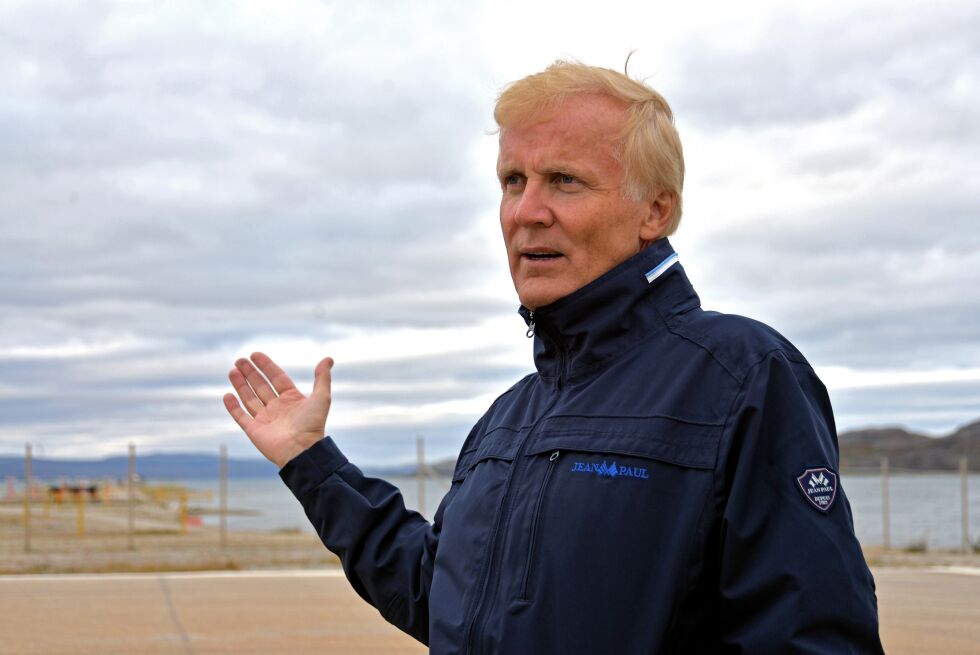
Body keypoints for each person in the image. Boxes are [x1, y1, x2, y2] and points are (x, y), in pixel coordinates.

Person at [223, 60, 884, 653]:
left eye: (564, 180)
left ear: (655, 210)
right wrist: (311, 464)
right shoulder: (508, 418)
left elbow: (812, 636)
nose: (525, 211)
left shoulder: (741, 376)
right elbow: (441, 599)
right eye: (513, 180)